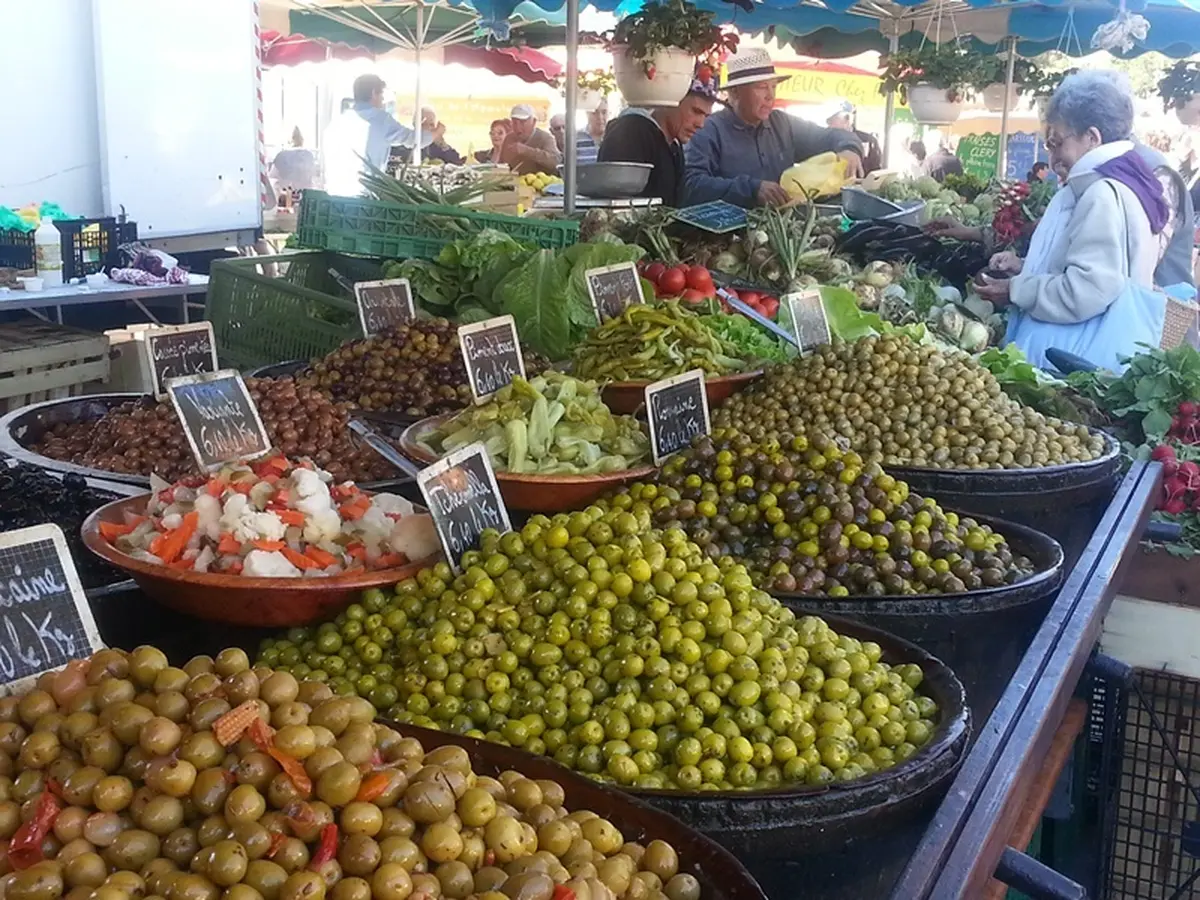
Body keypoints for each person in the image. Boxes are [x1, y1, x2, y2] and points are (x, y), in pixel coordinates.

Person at [977, 71, 1170, 371]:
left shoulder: (1101, 194)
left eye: (1056, 143)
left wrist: (1016, 290)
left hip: (1069, 364)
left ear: (1092, 138)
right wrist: (1025, 265)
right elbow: (1101, 266)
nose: (1052, 160)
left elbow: (1086, 290)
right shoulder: (1125, 183)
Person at [684, 48, 863, 208]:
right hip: (727, 236)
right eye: (761, 87)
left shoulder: (782, 123)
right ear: (735, 92)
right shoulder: (708, 130)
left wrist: (849, 148)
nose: (770, 96)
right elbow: (691, 185)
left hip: (783, 228)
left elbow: (829, 136)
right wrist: (751, 190)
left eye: (773, 87)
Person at [597, 68, 718, 207]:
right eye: (696, 111)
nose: (701, 124)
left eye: (706, 116)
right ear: (672, 99)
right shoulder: (631, 130)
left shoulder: (674, 146)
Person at [322, 74, 432, 195]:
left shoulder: (336, 123)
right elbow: (413, 140)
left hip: (335, 195)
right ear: (374, 92)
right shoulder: (381, 120)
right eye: (382, 94)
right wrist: (436, 133)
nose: (383, 99)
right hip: (366, 196)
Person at [501, 104, 561, 175]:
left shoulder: (546, 138)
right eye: (514, 123)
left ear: (534, 122)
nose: (518, 127)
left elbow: (556, 162)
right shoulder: (509, 138)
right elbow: (502, 163)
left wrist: (526, 150)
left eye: (522, 122)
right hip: (514, 183)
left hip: (542, 184)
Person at [826, 101, 883, 175]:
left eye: (831, 120)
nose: (829, 124)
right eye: (828, 121)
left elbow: (876, 171)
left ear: (847, 119)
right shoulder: (825, 140)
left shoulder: (868, 140)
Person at [270, 127, 319, 197]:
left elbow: (272, 175)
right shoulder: (309, 155)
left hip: (285, 196)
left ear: (289, 140)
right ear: (302, 140)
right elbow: (313, 175)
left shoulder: (281, 155)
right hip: (305, 196)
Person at [575, 98, 609, 165]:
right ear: (587, 114)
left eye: (604, 112)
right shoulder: (576, 138)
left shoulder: (615, 138)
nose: (600, 117)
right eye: (594, 113)